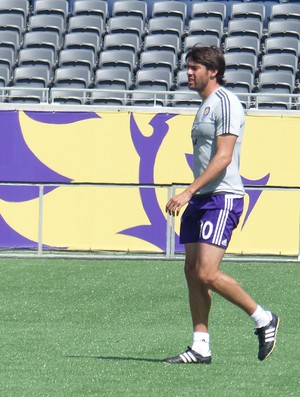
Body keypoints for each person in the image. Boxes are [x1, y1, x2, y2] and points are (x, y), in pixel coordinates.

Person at [164, 46, 279, 364]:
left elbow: (224, 157)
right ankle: (200, 346)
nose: (188, 72)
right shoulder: (204, 106)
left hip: (221, 198)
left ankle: (263, 318)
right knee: (191, 271)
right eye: (187, 67)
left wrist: (187, 192)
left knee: (207, 272)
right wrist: (193, 195)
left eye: (194, 67)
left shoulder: (226, 102)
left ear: (212, 71)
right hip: (202, 199)